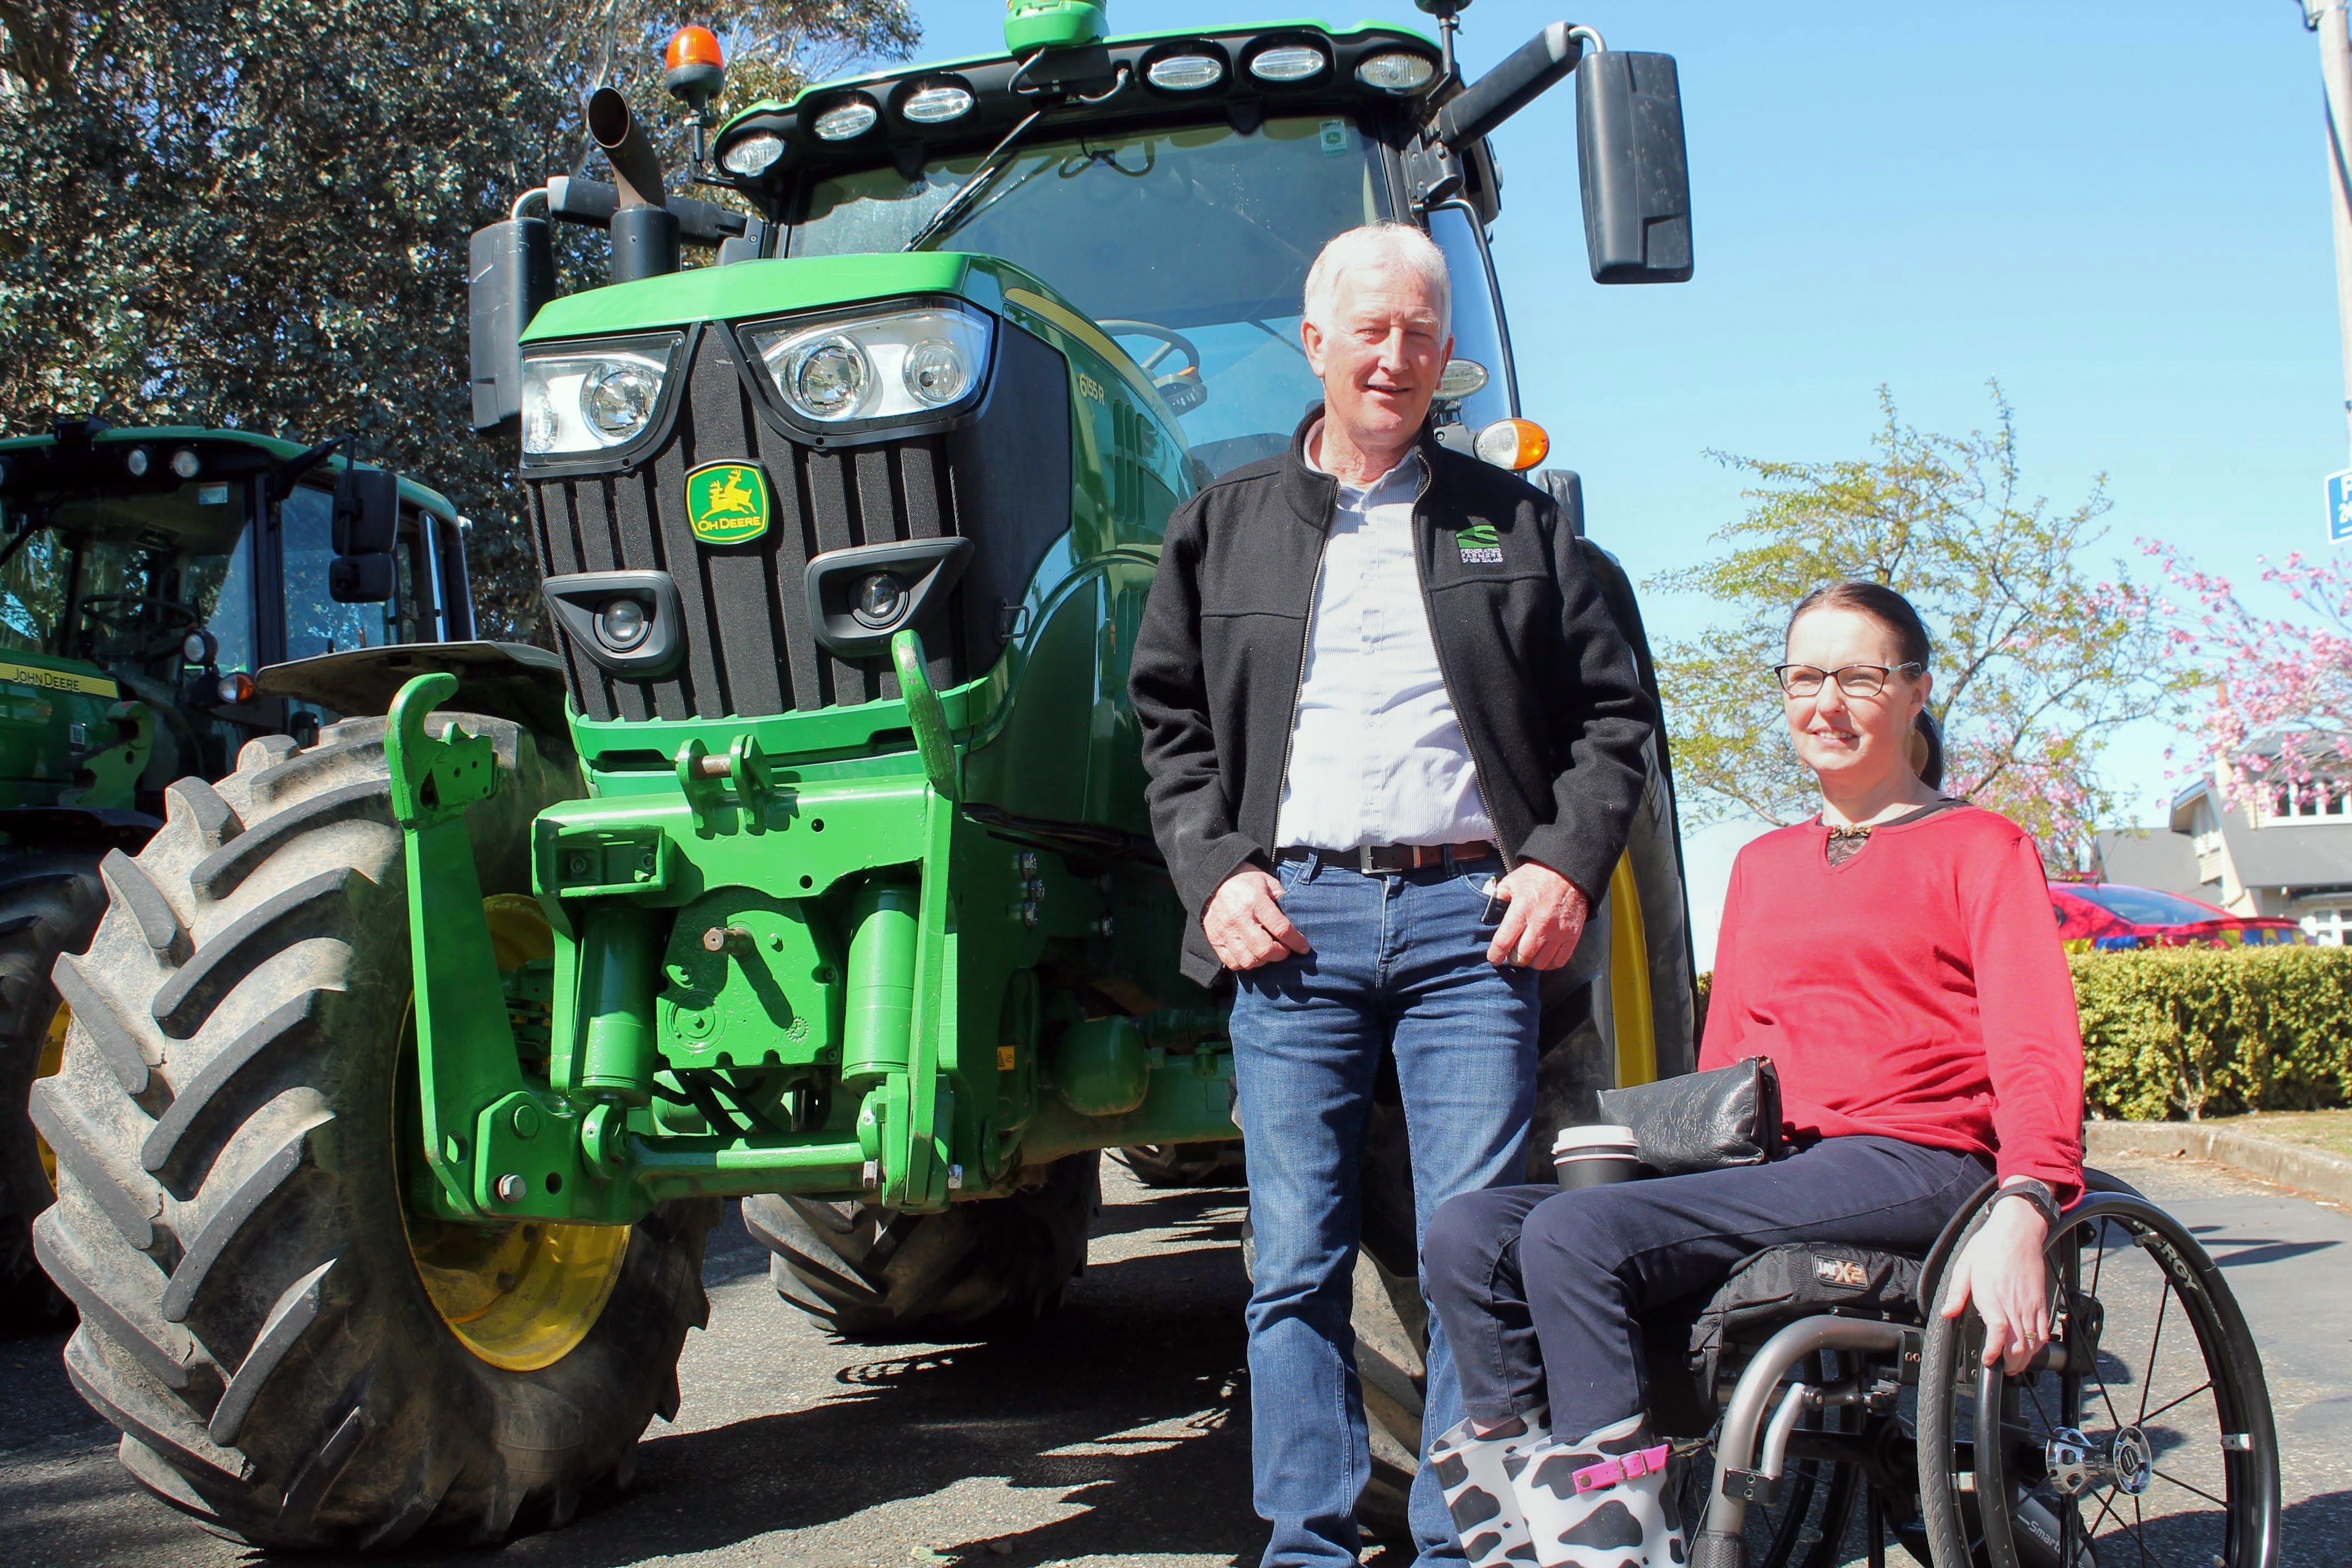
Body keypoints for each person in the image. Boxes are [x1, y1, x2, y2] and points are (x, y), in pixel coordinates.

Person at [1129, 222, 1653, 1568]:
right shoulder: (1220, 528)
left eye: (1422, 332)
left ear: (1445, 354)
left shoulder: (1516, 522)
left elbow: (1615, 719)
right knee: (1294, 1259)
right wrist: (1215, 873)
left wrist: (1563, 861)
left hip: (1469, 926)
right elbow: (1169, 727)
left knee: (1472, 1250)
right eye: (1371, 329)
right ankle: (1306, 1544)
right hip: (1290, 927)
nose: (1397, 355)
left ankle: (1452, 1542)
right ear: (1316, 345)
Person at [1419, 581, 2086, 1568]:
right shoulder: (1765, 865)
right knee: (1469, 1233)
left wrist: (2028, 1205)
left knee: (1575, 1236)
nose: (1827, 703)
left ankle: (1614, 1549)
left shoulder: (1982, 848)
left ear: (1915, 691)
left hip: (1918, 1162)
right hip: (1785, 1167)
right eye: (1804, 678)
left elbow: (2036, 1046)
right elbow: (1729, 1070)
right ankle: (1526, 1540)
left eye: (1859, 678)